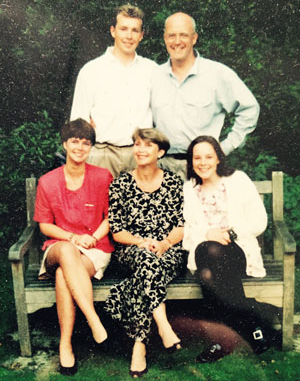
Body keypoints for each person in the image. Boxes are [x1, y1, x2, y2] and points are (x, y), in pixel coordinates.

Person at [182, 135, 274, 362]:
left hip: (238, 251)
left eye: (208, 157)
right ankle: (254, 324)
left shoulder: (238, 180)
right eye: (197, 158)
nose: (202, 162)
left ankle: (223, 340)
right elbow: (187, 229)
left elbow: (259, 220)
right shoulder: (189, 189)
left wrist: (230, 234)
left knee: (210, 257)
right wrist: (207, 234)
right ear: (191, 161)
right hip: (205, 256)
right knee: (207, 264)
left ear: (218, 158)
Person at [34, 118, 114, 375]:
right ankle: (93, 319)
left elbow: (111, 217)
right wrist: (73, 237)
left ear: (90, 147)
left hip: (95, 248)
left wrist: (92, 237)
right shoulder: (48, 181)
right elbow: (45, 226)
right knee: (67, 252)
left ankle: (65, 345)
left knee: (62, 275)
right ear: (65, 144)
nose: (80, 147)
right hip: (59, 245)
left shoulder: (103, 177)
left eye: (86, 142)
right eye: (75, 141)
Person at [104, 128, 186, 378]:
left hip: (168, 250)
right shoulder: (120, 184)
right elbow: (117, 231)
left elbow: (182, 225)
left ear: (160, 152)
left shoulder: (173, 182)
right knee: (147, 262)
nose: (139, 150)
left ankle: (139, 345)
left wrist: (164, 244)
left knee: (146, 272)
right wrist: (142, 242)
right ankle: (163, 326)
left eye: (147, 145)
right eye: (137, 144)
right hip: (132, 251)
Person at [151, 12, 260, 180]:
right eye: (172, 35)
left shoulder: (217, 74)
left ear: (194, 38)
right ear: (165, 38)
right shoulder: (153, 76)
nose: (177, 41)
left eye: (184, 35)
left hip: (204, 168)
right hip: (162, 168)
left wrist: (224, 148)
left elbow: (250, 109)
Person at [70, 4, 157, 178]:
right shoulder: (91, 70)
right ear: (113, 31)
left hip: (139, 155)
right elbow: (78, 121)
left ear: (141, 36)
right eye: (123, 29)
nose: (129, 36)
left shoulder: (152, 70)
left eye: (134, 30)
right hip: (102, 155)